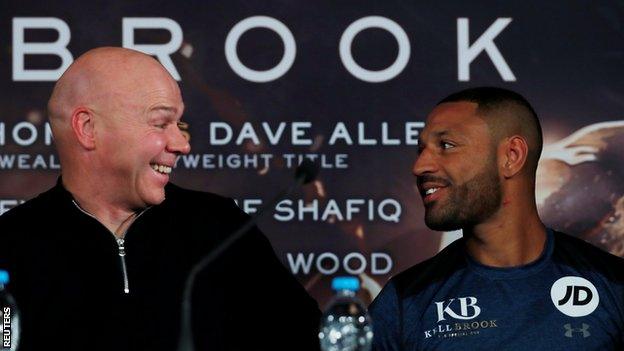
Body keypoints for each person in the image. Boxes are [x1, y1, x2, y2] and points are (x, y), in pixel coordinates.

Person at [0, 47, 321, 351]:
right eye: (160, 123)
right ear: (87, 128)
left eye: (179, 124)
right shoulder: (10, 246)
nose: (182, 144)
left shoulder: (221, 230)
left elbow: (306, 339)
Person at [369, 87, 624, 350]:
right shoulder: (404, 301)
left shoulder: (612, 285)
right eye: (420, 149)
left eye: (446, 145)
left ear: (511, 156)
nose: (420, 166)